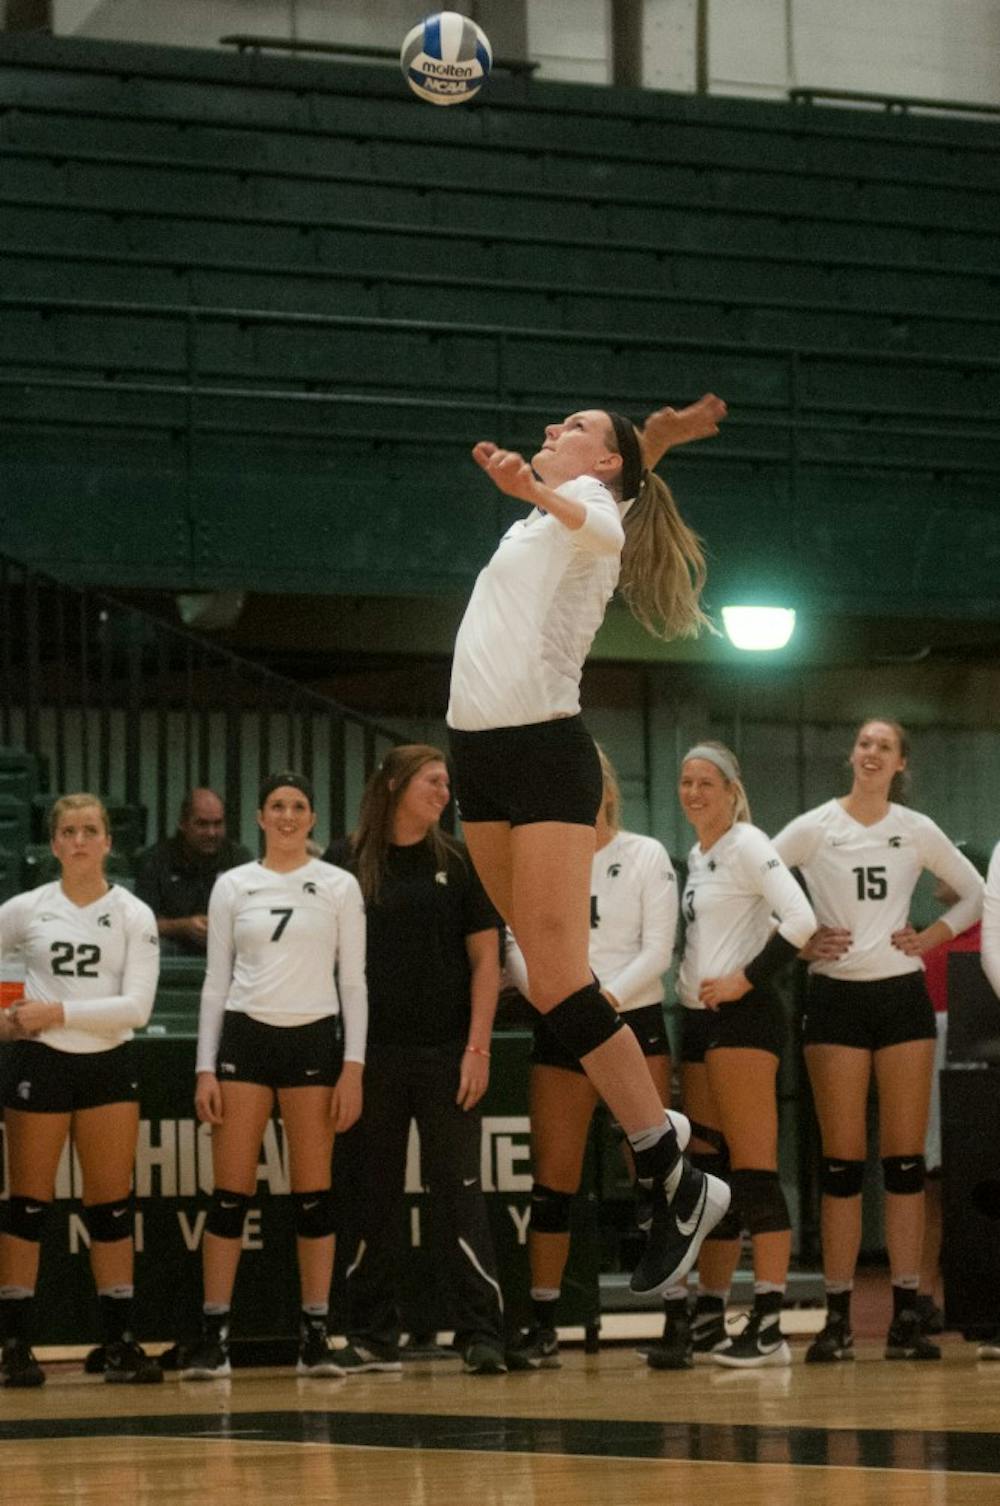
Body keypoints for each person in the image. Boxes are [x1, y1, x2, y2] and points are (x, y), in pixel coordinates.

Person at [446, 396, 732, 1299]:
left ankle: (670, 1172)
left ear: (601, 463)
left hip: (542, 756)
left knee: (563, 975)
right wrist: (654, 441)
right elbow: (610, 480)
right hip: (479, 755)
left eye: (576, 427)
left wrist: (540, 482)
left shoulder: (589, 513)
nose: (555, 429)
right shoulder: (554, 511)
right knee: (540, 973)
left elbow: (599, 514)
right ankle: (668, 1148)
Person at [773, 719, 984, 1362]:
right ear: (852, 756)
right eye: (864, 744)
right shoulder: (815, 826)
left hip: (901, 997)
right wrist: (802, 941)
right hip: (835, 996)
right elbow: (757, 883)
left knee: (904, 1165)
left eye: (883, 747)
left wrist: (933, 936)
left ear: (900, 764)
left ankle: (906, 1314)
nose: (870, 753)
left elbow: (977, 892)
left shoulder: (915, 828)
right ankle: (836, 1318)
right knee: (840, 1165)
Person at [325, 745, 508, 1375]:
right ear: (398, 785)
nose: (444, 792)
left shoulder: (459, 861)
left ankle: (480, 1331)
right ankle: (374, 1334)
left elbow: (488, 962)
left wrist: (477, 1048)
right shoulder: (345, 862)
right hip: (369, 1058)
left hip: (446, 1056)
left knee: (457, 1194)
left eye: (447, 783)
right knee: (370, 1193)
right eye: (433, 781)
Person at [181, 772, 366, 1380]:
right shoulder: (233, 884)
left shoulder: (339, 885)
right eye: (277, 806)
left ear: (312, 818)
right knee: (230, 1192)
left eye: (299, 806)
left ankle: (315, 1334)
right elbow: (214, 981)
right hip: (245, 1037)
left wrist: (354, 1068)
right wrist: (206, 1066)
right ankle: (214, 1336)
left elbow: (353, 983)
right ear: (260, 818)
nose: (288, 815)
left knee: (314, 1194)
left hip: (314, 1038)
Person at [503, 747, 679, 1367]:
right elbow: (514, 946)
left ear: (607, 787)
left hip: (630, 1016)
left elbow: (660, 950)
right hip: (561, 1025)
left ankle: (677, 1319)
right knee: (554, 1179)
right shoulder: (544, 860)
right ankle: (545, 1321)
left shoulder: (646, 854)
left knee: (656, 1172)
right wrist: (559, 1001)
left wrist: (600, 1000)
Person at [644, 742, 816, 1371]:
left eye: (706, 782)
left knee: (753, 1169)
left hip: (744, 1018)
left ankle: (770, 1324)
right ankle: (712, 1316)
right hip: (697, 1023)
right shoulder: (699, 854)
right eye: (686, 781)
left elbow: (800, 919)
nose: (693, 792)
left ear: (732, 788)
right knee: (709, 1173)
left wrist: (747, 977)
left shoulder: (747, 843)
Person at [0, 793, 162, 1388]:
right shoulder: (23, 910)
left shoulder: (132, 914)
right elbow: (1, 991)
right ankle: (16, 1344)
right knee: (27, 1205)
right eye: (67, 831)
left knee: (111, 1204)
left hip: (106, 1063)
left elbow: (136, 1009)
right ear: (53, 843)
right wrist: (11, 1018)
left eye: (90, 830)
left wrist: (57, 1012)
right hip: (39, 1062)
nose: (78, 841)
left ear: (107, 842)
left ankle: (117, 1341)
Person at [918, 846, 987, 1337]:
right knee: (932, 1182)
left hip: (979, 1061)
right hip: (933, 1056)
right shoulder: (934, 935)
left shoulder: (992, 936)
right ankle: (922, 1295)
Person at [134, 788, 251, 956]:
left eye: (218, 824)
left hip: (228, 950)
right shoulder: (155, 860)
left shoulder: (239, 859)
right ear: (183, 823)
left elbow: (255, 917)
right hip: (172, 951)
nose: (211, 833)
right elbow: (140, 924)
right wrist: (183, 926)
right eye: (202, 824)